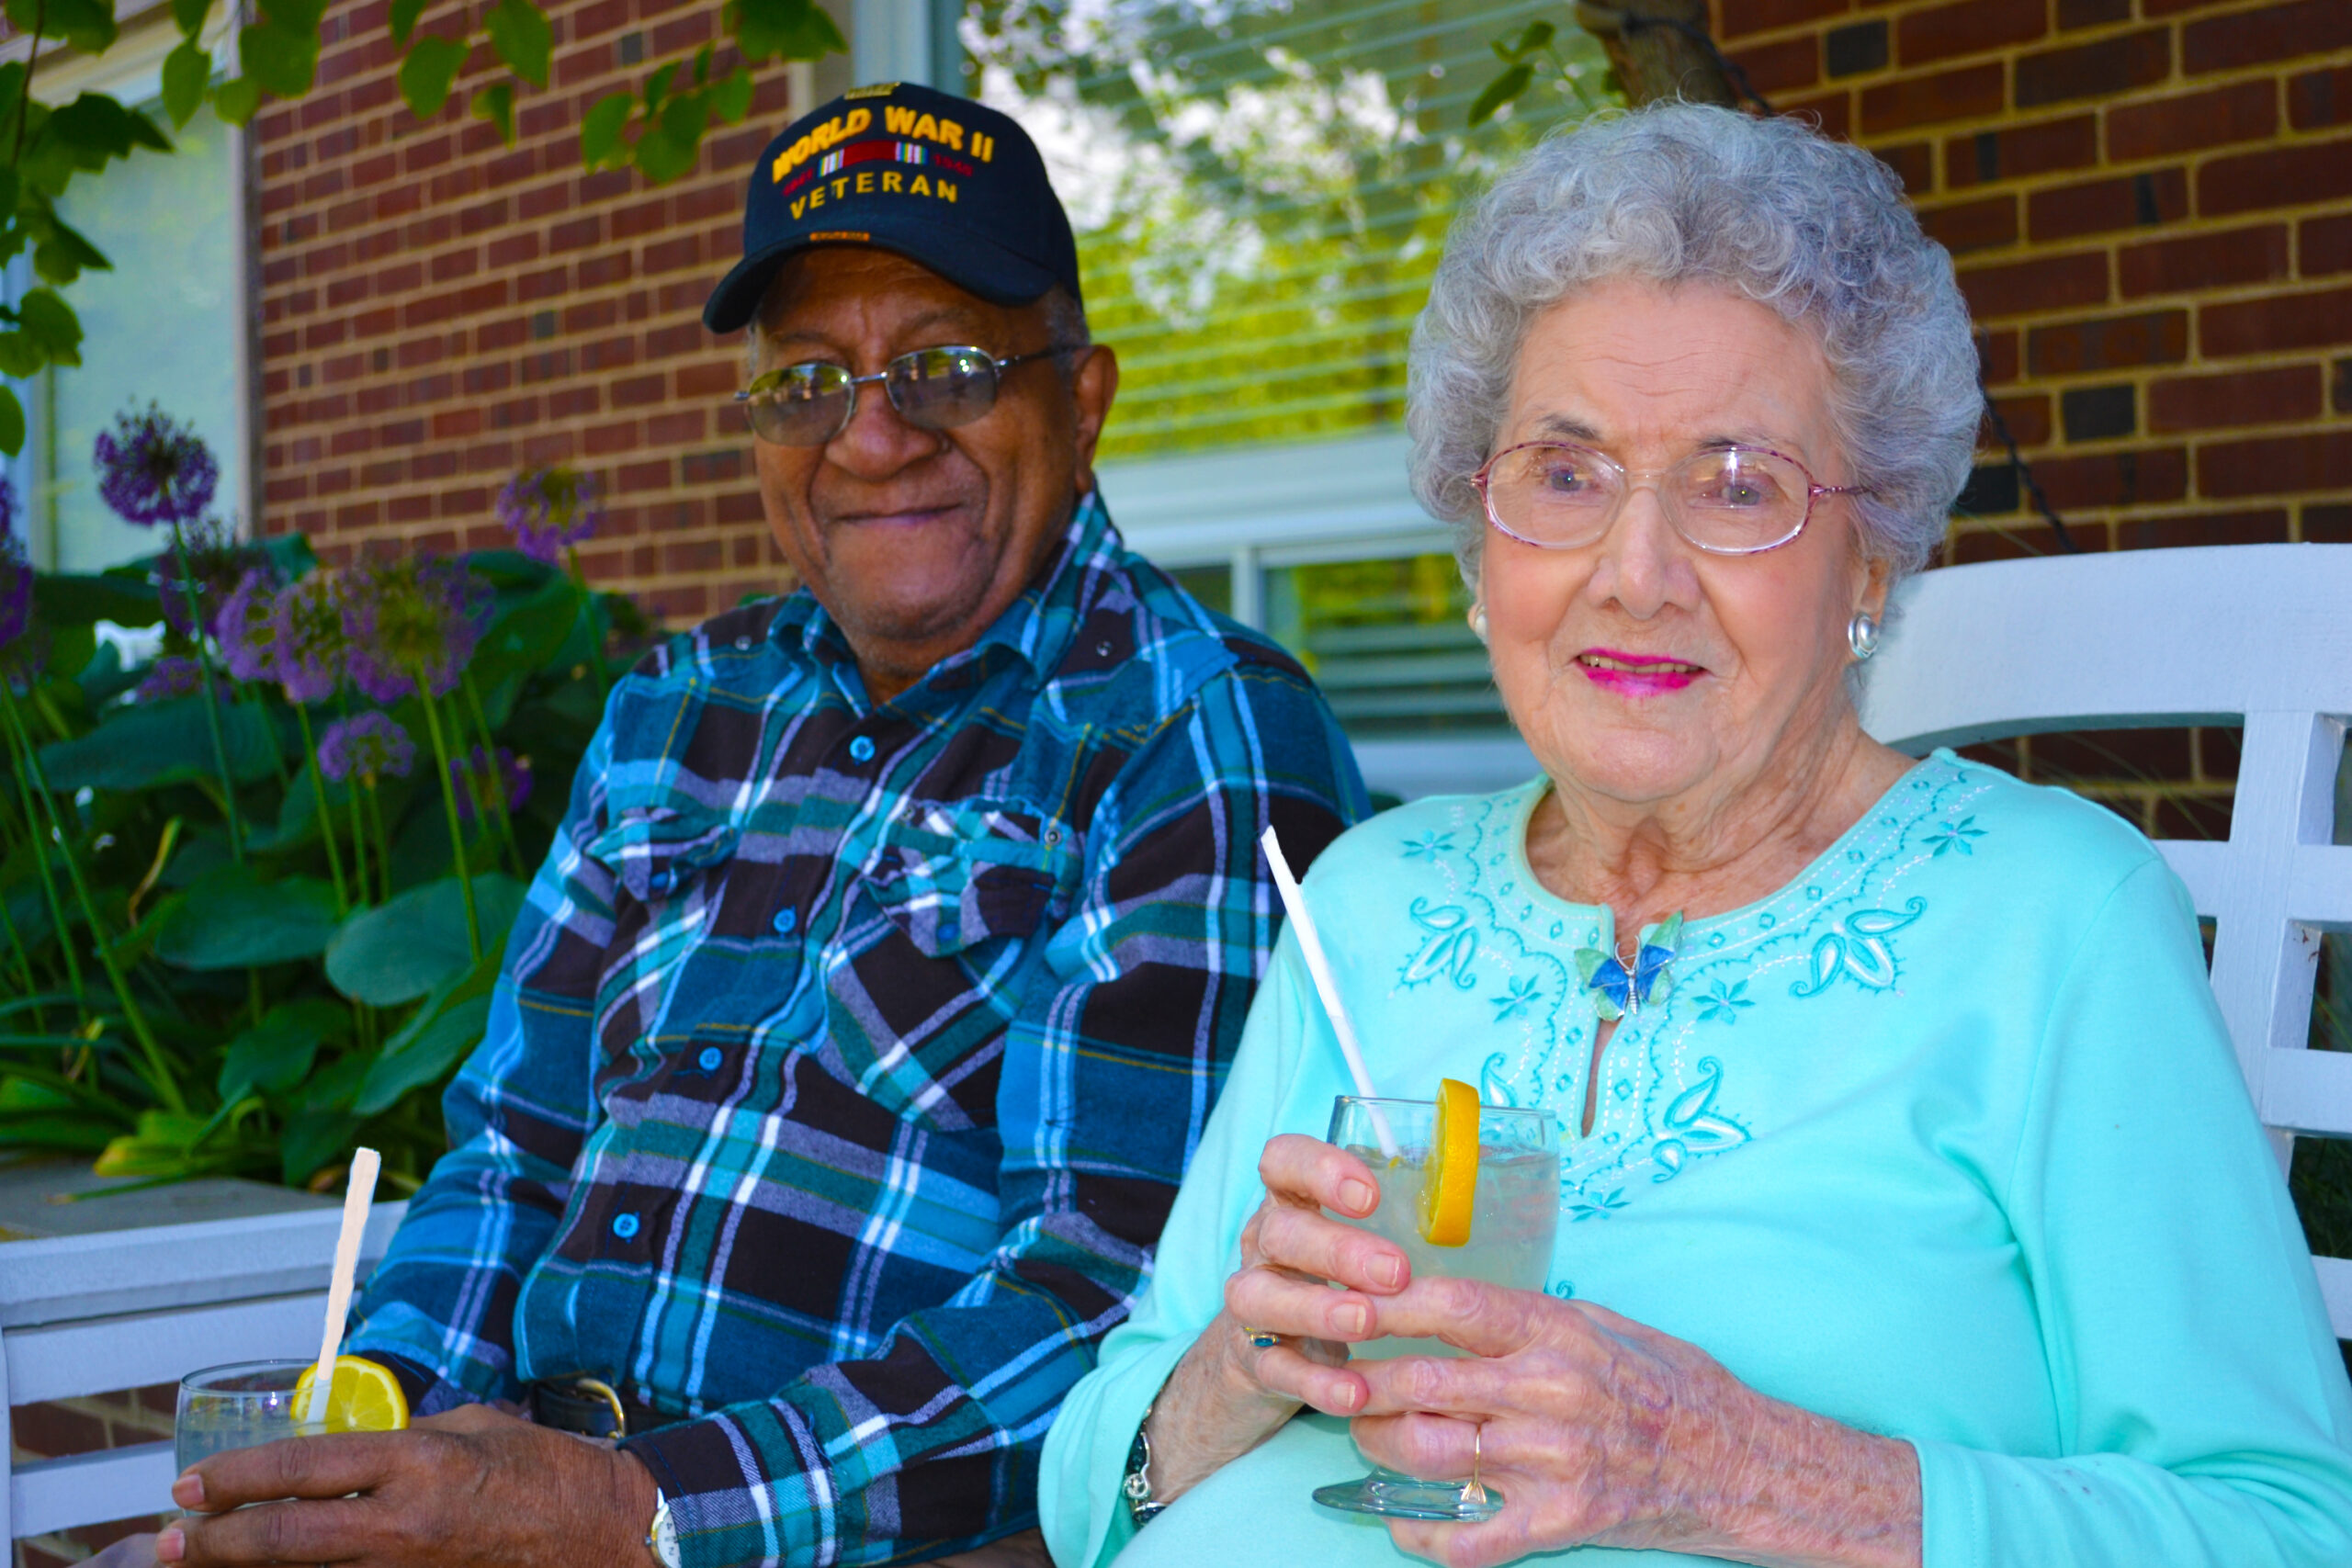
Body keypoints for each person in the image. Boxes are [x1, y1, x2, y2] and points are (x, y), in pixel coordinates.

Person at [1039, 103, 2352, 1568]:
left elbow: (2289, 1527)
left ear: (1871, 553)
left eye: (1738, 486)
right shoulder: (1368, 901)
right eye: (1564, 474)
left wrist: (1741, 1473)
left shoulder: (2054, 922)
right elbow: (1097, 1490)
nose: (1636, 573)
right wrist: (1243, 1364)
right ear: (1483, 548)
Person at [154, 82, 1366, 1568]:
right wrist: (381, 1436)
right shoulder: (681, 699)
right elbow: (512, 1155)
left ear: (1085, 394)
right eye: (806, 384)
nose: (869, 440)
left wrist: (634, 1512)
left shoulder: (1196, 730)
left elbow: (1104, 1311)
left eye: (944, 366)